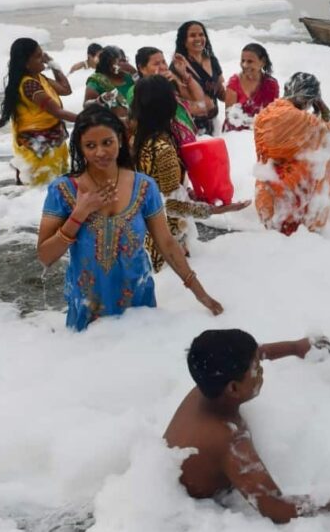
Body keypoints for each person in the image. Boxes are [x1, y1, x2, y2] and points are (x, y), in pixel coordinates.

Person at [164, 329, 330, 522]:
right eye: (257, 370)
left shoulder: (208, 385)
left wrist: (295, 347)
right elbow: (277, 510)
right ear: (233, 389)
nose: (261, 370)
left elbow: (257, 352)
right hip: (190, 509)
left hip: (172, 473)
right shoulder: (228, 441)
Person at [37, 105, 224, 331]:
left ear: (121, 139)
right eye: (90, 145)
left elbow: (166, 244)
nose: (100, 152)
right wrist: (79, 214)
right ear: (79, 147)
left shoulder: (144, 187)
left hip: (139, 309)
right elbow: (45, 256)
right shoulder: (62, 190)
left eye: (107, 142)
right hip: (88, 314)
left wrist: (200, 294)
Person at [131, 76, 250, 272]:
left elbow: (159, 190)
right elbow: (171, 205)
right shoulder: (163, 148)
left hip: (147, 228)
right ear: (167, 105)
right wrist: (216, 210)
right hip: (167, 237)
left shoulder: (140, 139)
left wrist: (185, 192)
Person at [253, 73, 330, 235]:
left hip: (265, 193)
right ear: (308, 98)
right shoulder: (303, 120)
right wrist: (321, 104)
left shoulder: (266, 114)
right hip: (291, 202)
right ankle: (311, 224)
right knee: (325, 155)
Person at [0, 38, 77, 186]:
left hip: (51, 143)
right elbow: (57, 112)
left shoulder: (39, 78)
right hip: (39, 149)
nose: (42, 60)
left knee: (57, 187)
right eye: (38, 56)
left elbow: (66, 90)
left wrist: (53, 64)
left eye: (42, 54)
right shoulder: (29, 85)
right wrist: (89, 118)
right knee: (42, 190)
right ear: (26, 62)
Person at [125, 46, 208, 146]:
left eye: (164, 62)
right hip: (163, 149)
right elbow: (145, 117)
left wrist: (184, 74)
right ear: (142, 68)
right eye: (156, 64)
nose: (163, 67)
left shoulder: (170, 87)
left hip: (188, 145)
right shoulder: (135, 90)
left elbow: (201, 106)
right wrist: (158, 87)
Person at [173, 20, 225, 135]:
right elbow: (178, 101)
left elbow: (221, 92)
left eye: (201, 35)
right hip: (191, 127)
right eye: (192, 35)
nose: (198, 39)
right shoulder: (178, 66)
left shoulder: (212, 61)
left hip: (213, 124)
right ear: (184, 41)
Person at [223, 43, 280, 132]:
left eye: (250, 61)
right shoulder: (234, 83)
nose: (245, 65)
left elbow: (271, 117)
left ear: (262, 62)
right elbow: (230, 119)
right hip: (235, 134)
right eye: (242, 61)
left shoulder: (271, 84)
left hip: (261, 133)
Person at [84, 45, 134, 118]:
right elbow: (87, 107)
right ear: (107, 64)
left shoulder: (131, 77)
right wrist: (101, 100)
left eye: (124, 61)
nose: (122, 65)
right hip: (109, 125)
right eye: (118, 63)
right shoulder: (97, 81)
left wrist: (134, 72)